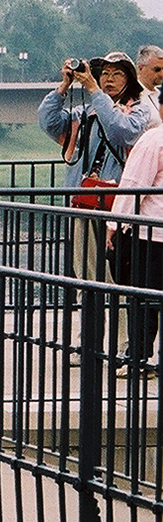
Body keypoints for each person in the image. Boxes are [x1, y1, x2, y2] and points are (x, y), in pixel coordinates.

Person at [38, 51, 154, 278]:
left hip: (119, 209)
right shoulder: (84, 113)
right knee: (86, 274)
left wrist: (94, 91)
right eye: (104, 73)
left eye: (117, 74)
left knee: (116, 274)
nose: (109, 78)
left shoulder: (139, 111)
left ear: (129, 80)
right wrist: (64, 86)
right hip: (84, 203)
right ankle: (92, 314)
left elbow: (121, 131)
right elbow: (48, 122)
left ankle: (115, 314)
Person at [109, 122, 163, 372]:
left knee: (143, 297)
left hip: (150, 233)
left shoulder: (153, 140)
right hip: (153, 232)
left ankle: (139, 357)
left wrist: (115, 225)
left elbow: (133, 185)